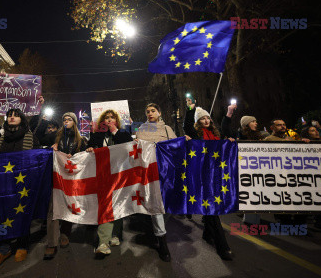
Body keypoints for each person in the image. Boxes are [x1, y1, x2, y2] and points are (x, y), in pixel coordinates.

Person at [0, 108, 38, 268]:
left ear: (22, 119)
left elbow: (37, 156)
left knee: (21, 211)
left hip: (23, 182)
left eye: (16, 115)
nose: (12, 117)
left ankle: (22, 244)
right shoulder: (2, 135)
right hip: (3, 181)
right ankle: (4, 247)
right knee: (3, 212)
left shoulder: (29, 135)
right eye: (10, 115)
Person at [183, 106, 234, 261]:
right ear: (198, 121)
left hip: (216, 175)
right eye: (202, 118)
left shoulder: (215, 134)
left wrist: (229, 141)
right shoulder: (196, 134)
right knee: (212, 209)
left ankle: (207, 234)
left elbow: (225, 132)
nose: (206, 120)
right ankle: (223, 247)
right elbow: (186, 126)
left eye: (207, 118)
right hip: (201, 175)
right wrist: (190, 109)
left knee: (210, 208)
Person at [86, 109, 132, 259]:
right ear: (102, 122)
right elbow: (89, 149)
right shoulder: (97, 135)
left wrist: (115, 131)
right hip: (103, 175)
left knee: (118, 204)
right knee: (106, 205)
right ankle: (103, 243)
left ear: (117, 121)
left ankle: (116, 234)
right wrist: (90, 149)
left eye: (112, 118)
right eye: (106, 118)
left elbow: (128, 146)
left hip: (120, 175)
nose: (109, 120)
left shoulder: (123, 133)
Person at [135, 103, 176, 262]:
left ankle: (156, 230)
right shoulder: (142, 130)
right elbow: (136, 149)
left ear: (159, 112)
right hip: (149, 173)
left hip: (166, 172)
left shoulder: (168, 129)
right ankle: (162, 241)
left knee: (168, 205)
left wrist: (184, 140)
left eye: (153, 111)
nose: (150, 113)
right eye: (147, 111)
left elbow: (175, 148)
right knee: (156, 205)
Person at [44, 112, 87, 260]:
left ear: (74, 122)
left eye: (69, 119)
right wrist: (52, 148)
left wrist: (78, 154)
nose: (66, 121)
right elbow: (39, 139)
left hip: (72, 178)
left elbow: (85, 157)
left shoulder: (80, 139)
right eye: (64, 119)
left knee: (69, 205)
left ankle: (65, 233)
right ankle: (51, 242)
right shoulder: (56, 136)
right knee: (53, 207)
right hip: (56, 177)